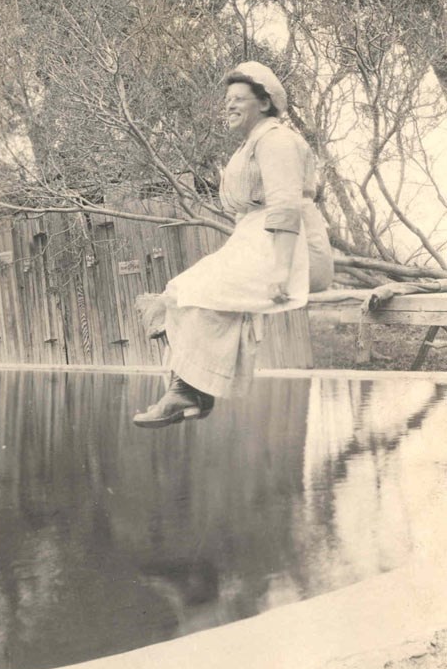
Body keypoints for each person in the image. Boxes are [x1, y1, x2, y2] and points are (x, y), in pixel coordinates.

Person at [133, 61, 333, 428]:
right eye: (227, 99)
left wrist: (280, 271)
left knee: (192, 291)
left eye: (239, 98)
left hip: (291, 249)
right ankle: (190, 392)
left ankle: (188, 392)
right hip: (258, 240)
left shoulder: (277, 140)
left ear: (266, 103)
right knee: (177, 293)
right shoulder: (250, 145)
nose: (229, 105)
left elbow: (286, 207)